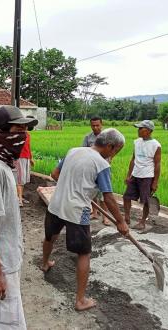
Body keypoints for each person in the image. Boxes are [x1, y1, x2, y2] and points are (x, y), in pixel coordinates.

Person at [42, 128, 129, 311]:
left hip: (56, 204)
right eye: (116, 151)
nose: (114, 155)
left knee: (51, 236)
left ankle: (45, 263)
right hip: (77, 211)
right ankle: (80, 300)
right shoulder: (102, 165)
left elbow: (54, 175)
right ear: (110, 146)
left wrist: (75, 187)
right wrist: (121, 222)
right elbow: (108, 198)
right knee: (84, 253)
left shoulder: (74, 151)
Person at [0, 105, 36, 329]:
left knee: (2, 319)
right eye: (17, 130)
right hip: (0, 263)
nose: (23, 136)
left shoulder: (4, 165)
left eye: (25, 131)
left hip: (5, 259)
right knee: (1, 322)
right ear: (1, 134)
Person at [123, 120, 161, 230]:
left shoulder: (156, 145)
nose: (138, 131)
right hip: (135, 174)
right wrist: (129, 175)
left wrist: (155, 182)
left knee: (146, 201)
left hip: (147, 176)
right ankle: (126, 217)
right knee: (126, 197)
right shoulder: (137, 142)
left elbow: (157, 164)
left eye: (140, 128)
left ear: (148, 130)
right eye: (138, 128)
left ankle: (142, 222)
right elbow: (133, 159)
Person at [82, 116, 110, 225]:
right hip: (91, 168)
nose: (95, 127)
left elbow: (113, 151)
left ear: (101, 125)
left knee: (104, 194)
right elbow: (83, 151)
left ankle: (105, 216)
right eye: (93, 125)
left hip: (103, 169)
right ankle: (94, 212)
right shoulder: (88, 137)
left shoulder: (107, 137)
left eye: (97, 125)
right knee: (92, 192)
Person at [14, 115, 38, 207]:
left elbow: (28, 147)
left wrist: (31, 158)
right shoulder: (17, 134)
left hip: (26, 158)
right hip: (19, 158)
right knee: (19, 179)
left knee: (22, 179)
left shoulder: (27, 135)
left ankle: (19, 197)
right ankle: (19, 199)